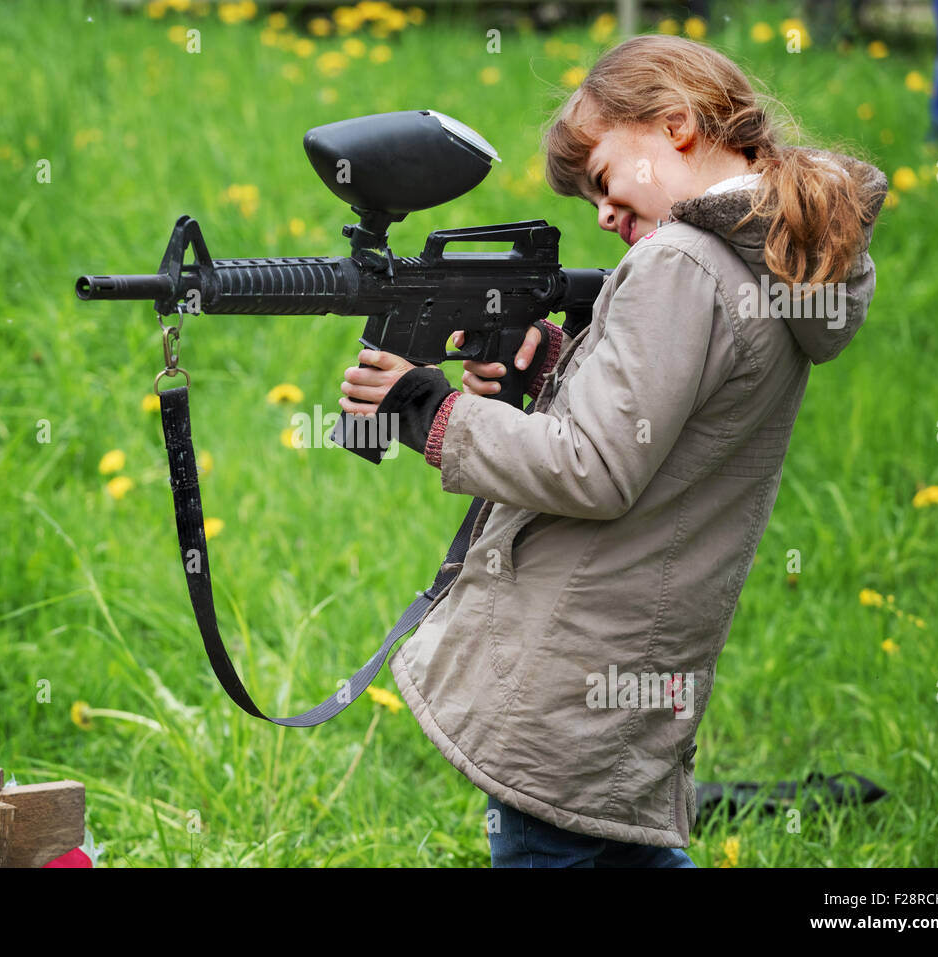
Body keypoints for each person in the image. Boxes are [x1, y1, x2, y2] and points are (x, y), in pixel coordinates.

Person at [338, 34, 888, 868]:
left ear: (675, 125)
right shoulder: (773, 261)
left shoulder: (679, 261)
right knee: (614, 846)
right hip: (637, 656)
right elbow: (679, 418)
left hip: (571, 671)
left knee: (551, 841)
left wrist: (430, 407)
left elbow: (591, 466)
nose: (600, 213)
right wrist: (566, 364)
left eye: (602, 179)